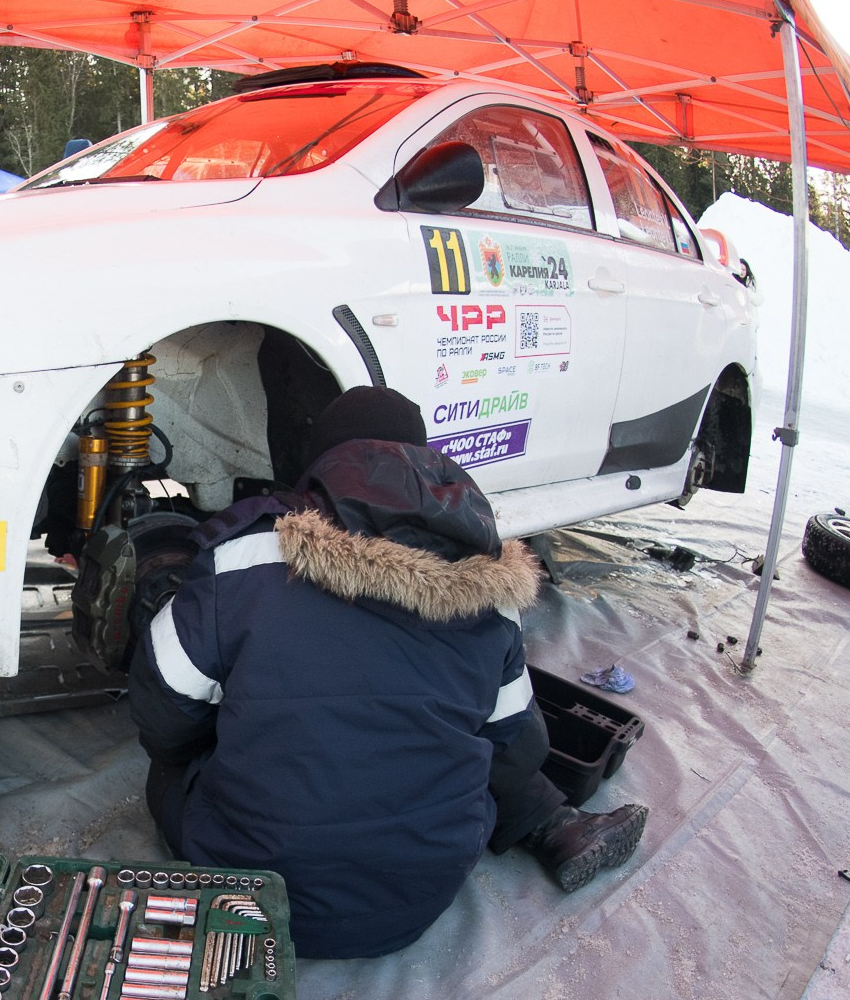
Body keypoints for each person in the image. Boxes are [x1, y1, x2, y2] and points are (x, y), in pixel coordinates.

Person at [129, 386, 648, 961]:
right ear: (428, 465)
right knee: (483, 740)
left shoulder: (241, 561)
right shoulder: (492, 590)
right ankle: (556, 824)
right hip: (418, 900)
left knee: (172, 766)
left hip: (248, 894)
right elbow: (522, 751)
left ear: (319, 464)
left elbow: (160, 716)